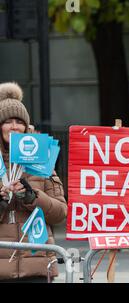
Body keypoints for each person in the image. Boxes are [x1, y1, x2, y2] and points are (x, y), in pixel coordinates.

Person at [0, 82, 67, 283]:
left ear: (26, 126)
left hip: (37, 266)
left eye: (19, 122)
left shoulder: (41, 160)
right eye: (7, 121)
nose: (14, 127)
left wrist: (33, 198)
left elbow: (61, 213)